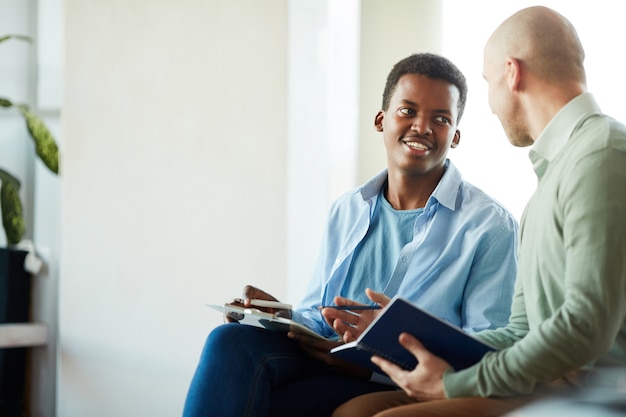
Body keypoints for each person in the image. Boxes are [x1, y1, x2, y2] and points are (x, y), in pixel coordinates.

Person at [182, 53, 519, 417]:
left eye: (440, 119)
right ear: (381, 120)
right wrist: (280, 315)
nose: (422, 127)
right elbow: (318, 314)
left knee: (261, 402)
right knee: (230, 340)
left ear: (454, 136)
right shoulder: (347, 209)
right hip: (323, 357)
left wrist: (376, 356)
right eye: (407, 111)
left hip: (394, 377)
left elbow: (483, 351)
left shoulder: (489, 225)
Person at [332, 6, 626, 417]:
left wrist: (456, 384)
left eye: (488, 82)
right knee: (355, 412)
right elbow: (522, 330)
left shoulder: (602, 154)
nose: (489, 105)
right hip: (546, 379)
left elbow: (586, 327)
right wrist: (405, 336)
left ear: (512, 72)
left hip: (593, 391)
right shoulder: (548, 183)